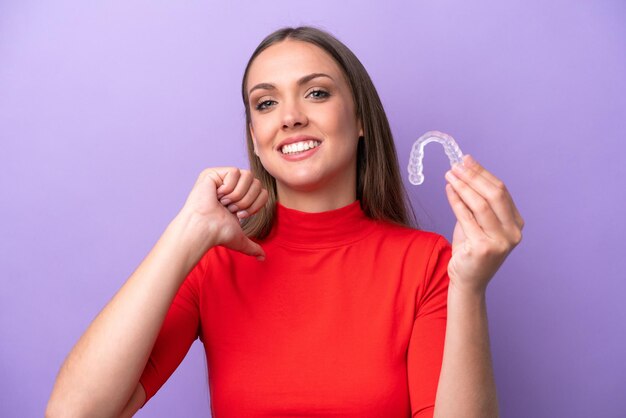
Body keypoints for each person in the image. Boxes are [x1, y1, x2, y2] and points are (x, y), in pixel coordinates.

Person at [46, 26, 524, 418]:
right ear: (255, 139)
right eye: (266, 103)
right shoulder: (214, 265)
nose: (290, 118)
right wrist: (185, 233)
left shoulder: (428, 264)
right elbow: (75, 413)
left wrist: (469, 288)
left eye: (316, 93)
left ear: (360, 119)